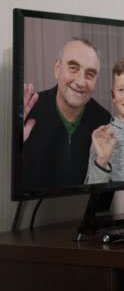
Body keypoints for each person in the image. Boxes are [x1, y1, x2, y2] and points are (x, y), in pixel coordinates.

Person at [22, 38, 111, 187]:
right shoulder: (27, 113)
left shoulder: (104, 122)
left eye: (90, 74)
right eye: (73, 68)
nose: (81, 82)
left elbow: (102, 200)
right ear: (57, 68)